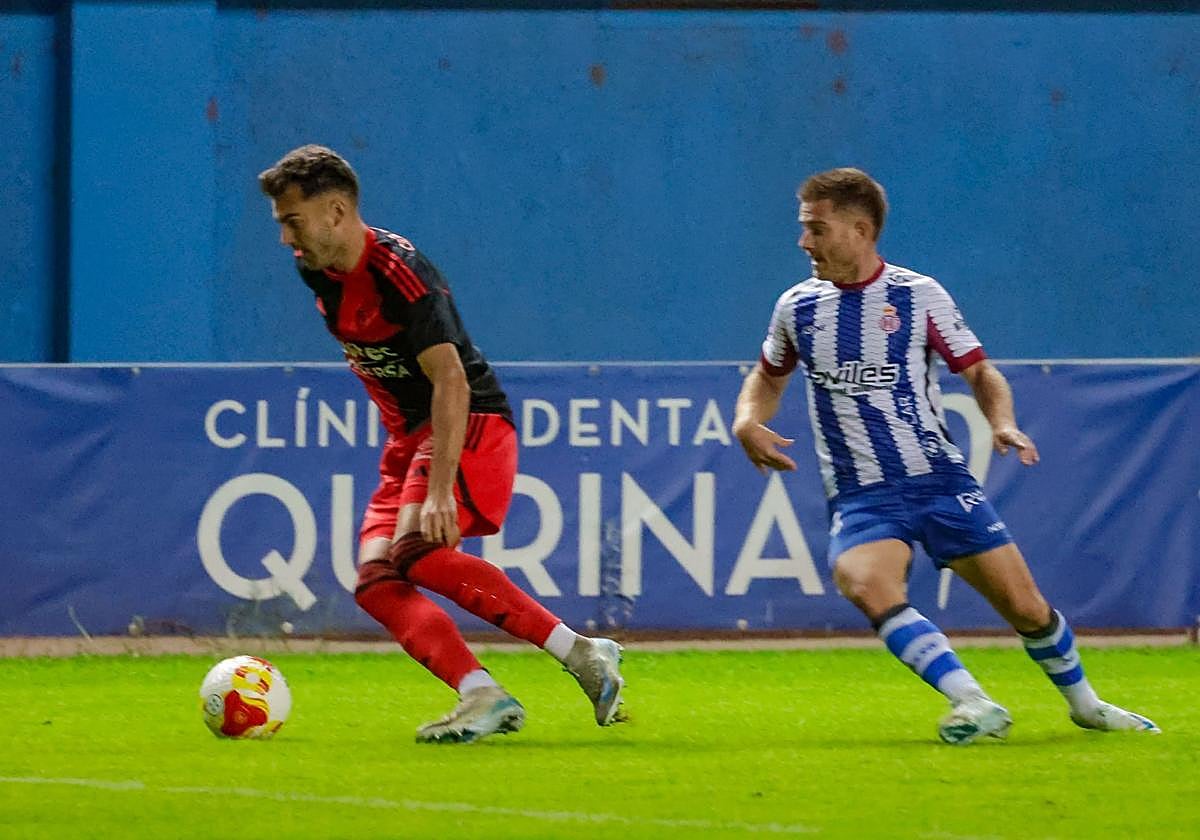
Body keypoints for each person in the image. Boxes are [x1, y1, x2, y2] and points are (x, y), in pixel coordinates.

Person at [733, 167, 1158, 744]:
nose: (803, 242)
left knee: (1027, 608)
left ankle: (1085, 704)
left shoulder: (917, 296)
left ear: (860, 229)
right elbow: (767, 377)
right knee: (862, 580)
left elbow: (980, 371)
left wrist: (1002, 423)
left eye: (816, 228)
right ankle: (973, 701)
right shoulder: (797, 308)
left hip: (936, 479)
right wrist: (746, 419)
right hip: (863, 494)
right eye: (803, 228)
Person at [258, 145, 624, 743]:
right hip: (407, 438)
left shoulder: (402, 274)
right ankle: (483, 695)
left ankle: (581, 653)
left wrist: (436, 490)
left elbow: (450, 379)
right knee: (376, 582)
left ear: (335, 210)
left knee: (414, 550)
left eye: (291, 221)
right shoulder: (316, 270)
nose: (284, 239)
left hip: (466, 421)